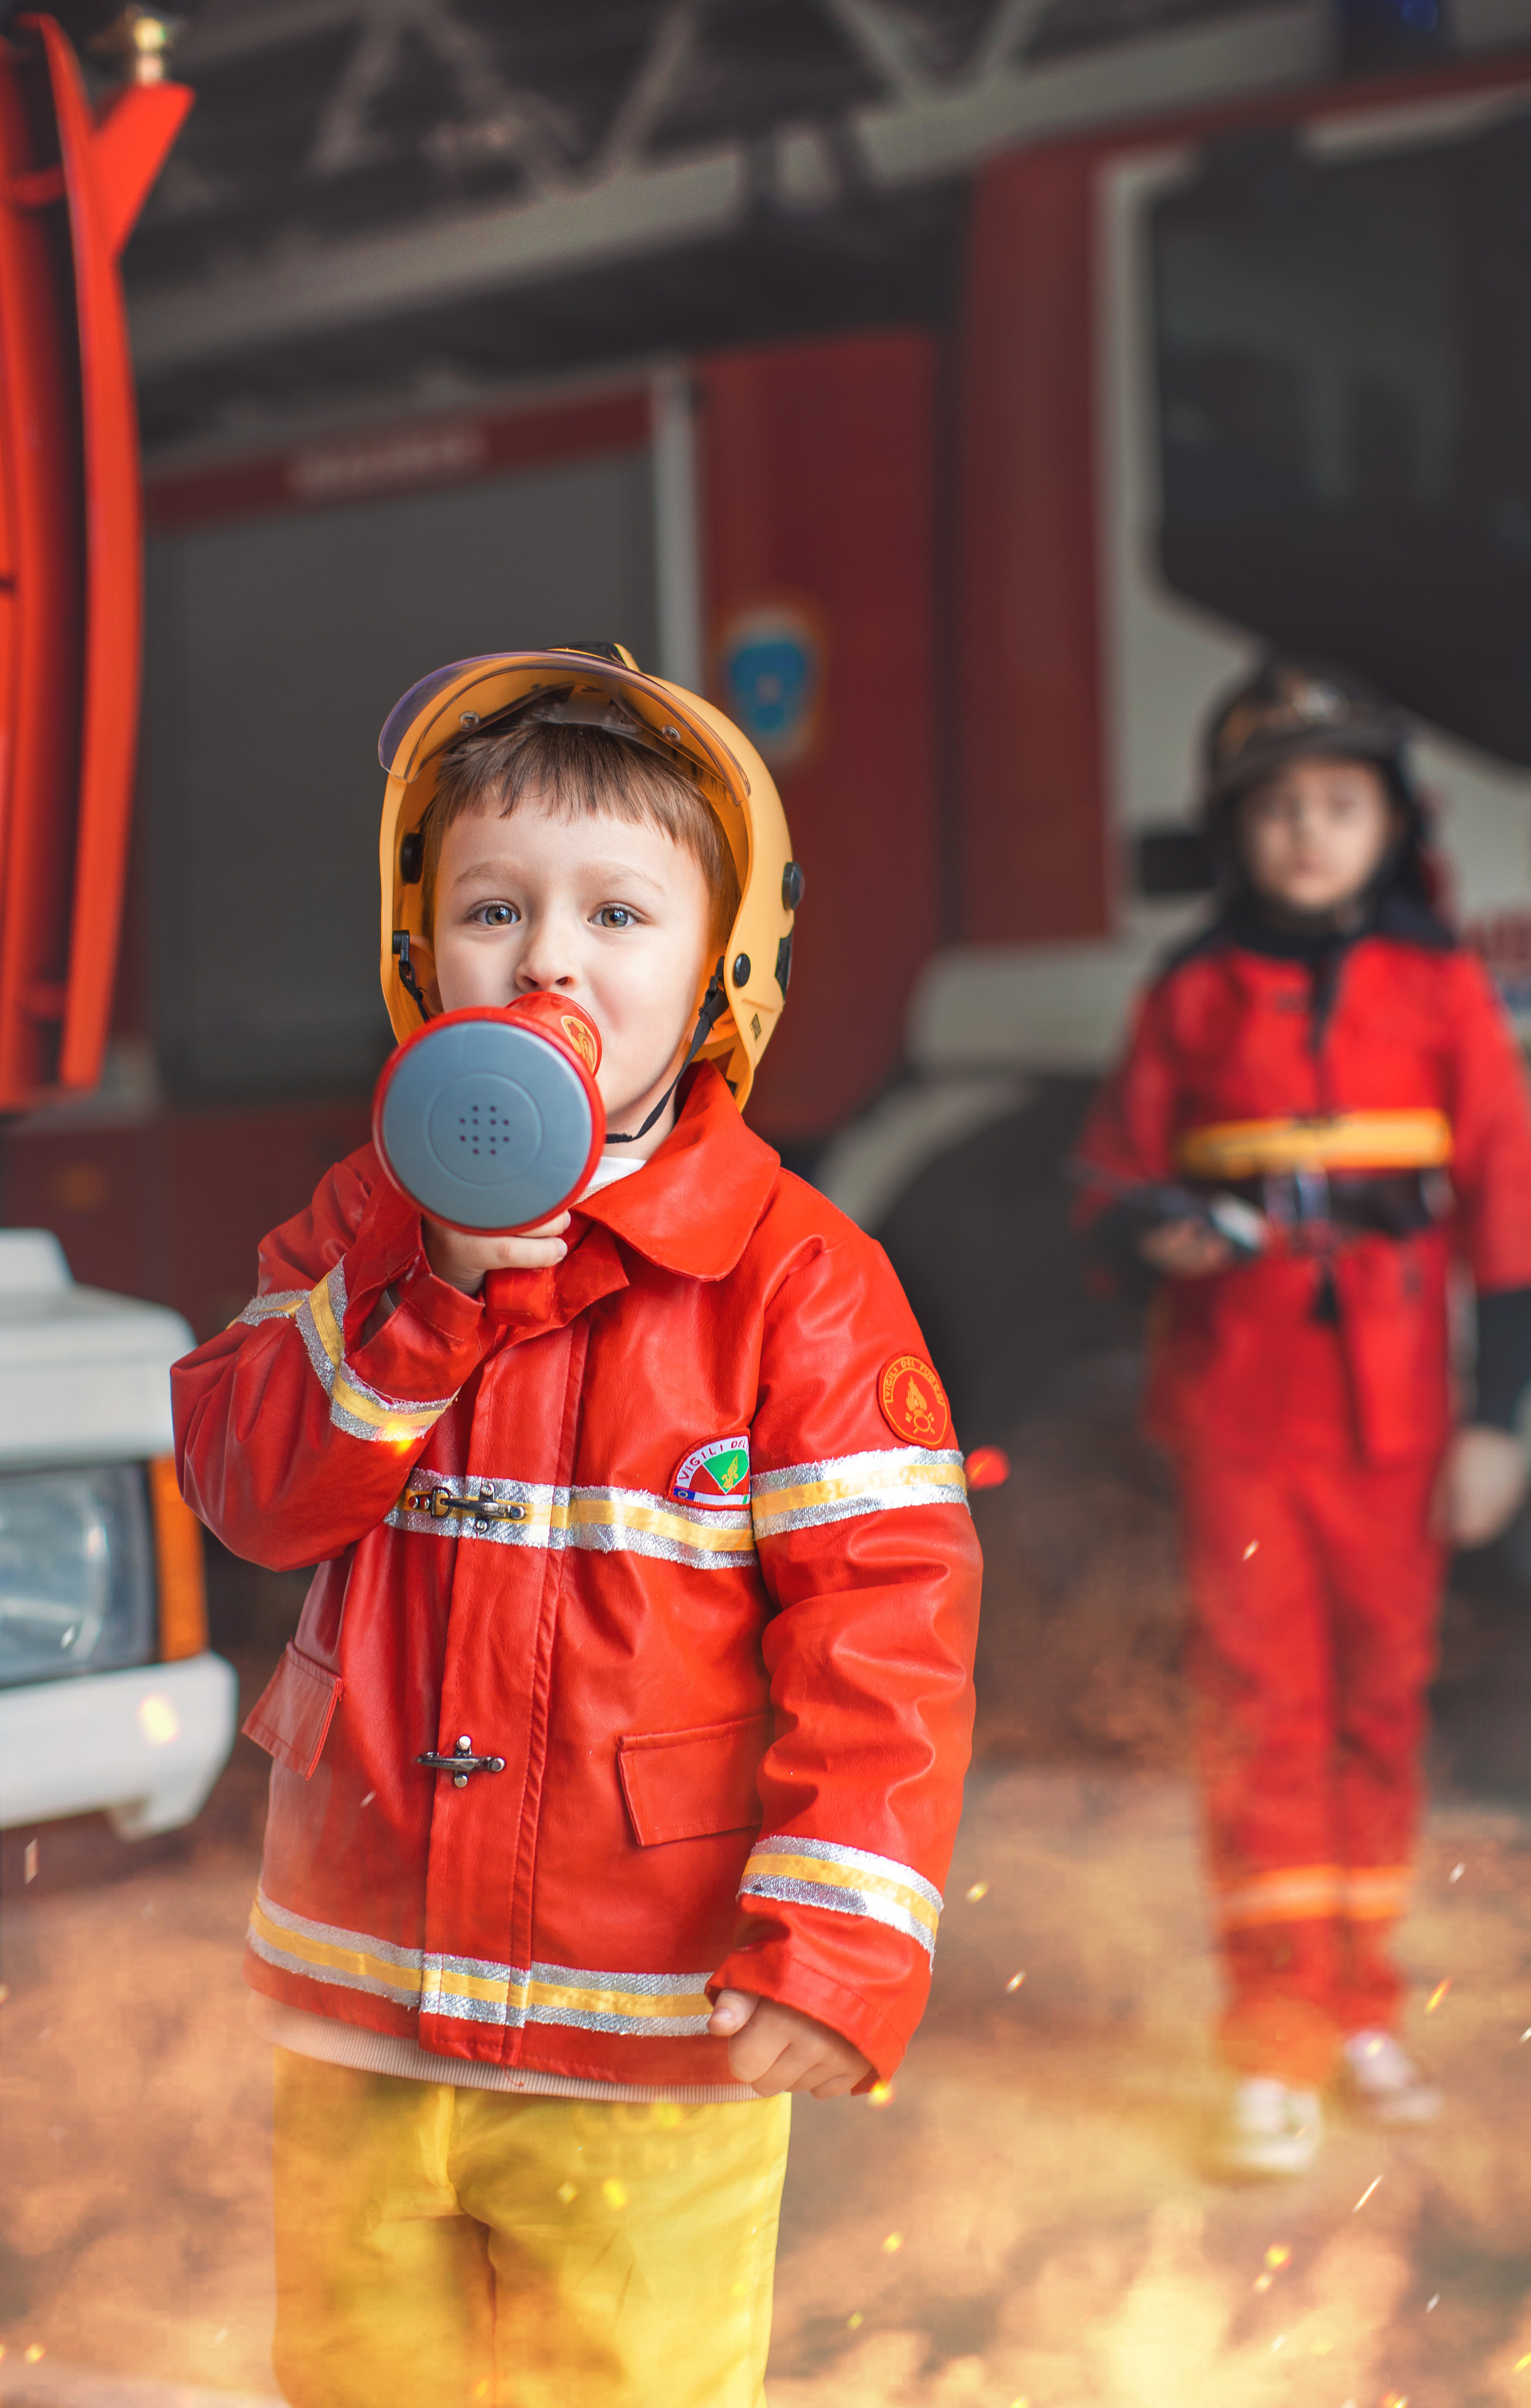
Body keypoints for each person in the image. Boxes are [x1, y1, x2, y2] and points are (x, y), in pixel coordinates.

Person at [171, 646, 981, 2404]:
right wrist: (427, 1289)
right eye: (491, 907)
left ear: (723, 970)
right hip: (357, 2004)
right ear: (417, 952)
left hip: (645, 2041)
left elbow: (888, 1621)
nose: (546, 956)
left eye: (619, 913)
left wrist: (837, 1943)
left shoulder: (801, 1286)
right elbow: (247, 1495)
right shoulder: (359, 1222)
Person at [1074, 658, 1531, 2178]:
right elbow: (1104, 1185)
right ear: (1236, 831)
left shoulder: (1440, 992)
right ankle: (1270, 2038)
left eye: (1336, 804)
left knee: (1374, 1712)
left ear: (1386, 823)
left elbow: (1514, 1219)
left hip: (1401, 1422)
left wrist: (1496, 1422)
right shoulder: (1189, 995)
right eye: (1276, 807)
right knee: (1260, 1717)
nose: (1305, 832)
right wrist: (1150, 1225)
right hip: (1238, 1416)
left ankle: (1360, 2006)